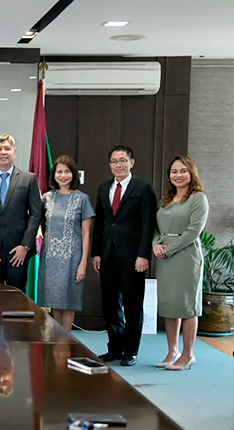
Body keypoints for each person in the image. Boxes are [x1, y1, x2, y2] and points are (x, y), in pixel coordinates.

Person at [91, 145, 157, 367]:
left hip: (133, 257)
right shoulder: (103, 188)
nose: (118, 165)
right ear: (109, 164)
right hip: (108, 254)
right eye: (114, 161)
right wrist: (96, 253)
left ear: (132, 162)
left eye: (122, 160)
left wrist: (143, 255)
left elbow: (148, 225)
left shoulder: (144, 189)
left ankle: (130, 350)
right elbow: (99, 223)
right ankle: (115, 348)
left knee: (132, 304)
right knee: (110, 304)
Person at [152, 155, 209, 371]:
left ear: (191, 173)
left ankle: (187, 355)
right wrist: (156, 244)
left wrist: (169, 249)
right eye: (174, 171)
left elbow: (194, 231)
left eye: (183, 171)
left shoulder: (198, 198)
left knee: (187, 307)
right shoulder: (165, 200)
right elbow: (155, 227)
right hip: (164, 257)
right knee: (170, 306)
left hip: (186, 257)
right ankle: (171, 352)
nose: (178, 175)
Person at [0, 135, 42, 292]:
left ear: (15, 153)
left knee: (16, 295)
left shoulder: (28, 179)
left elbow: (35, 214)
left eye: (7, 148)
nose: (3, 152)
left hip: (17, 250)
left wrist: (25, 246)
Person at [38, 156, 95, 331]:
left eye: (67, 171)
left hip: (73, 258)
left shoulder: (82, 199)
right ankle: (57, 337)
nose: (63, 175)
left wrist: (83, 263)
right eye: (59, 171)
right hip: (51, 258)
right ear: (53, 175)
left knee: (69, 300)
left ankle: (67, 339)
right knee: (54, 300)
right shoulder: (46, 198)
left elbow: (86, 233)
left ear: (73, 174)